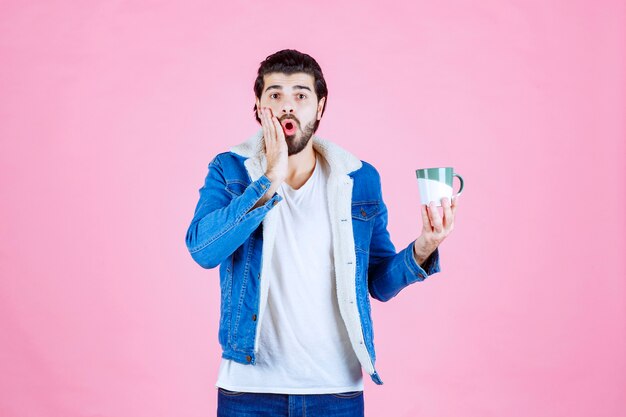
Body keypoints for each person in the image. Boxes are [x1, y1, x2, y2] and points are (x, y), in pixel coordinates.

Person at [185, 49, 458, 417]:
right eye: (275, 94)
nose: (288, 106)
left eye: (300, 95)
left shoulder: (358, 179)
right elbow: (203, 249)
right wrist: (269, 180)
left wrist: (425, 247)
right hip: (248, 392)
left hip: (336, 392)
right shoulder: (230, 169)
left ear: (320, 106)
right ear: (258, 105)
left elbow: (377, 283)